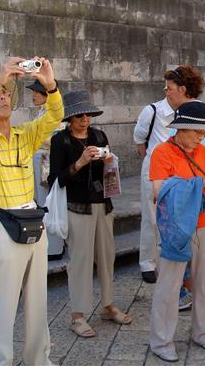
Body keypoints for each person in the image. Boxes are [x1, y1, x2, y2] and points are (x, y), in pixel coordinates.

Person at [0, 57, 62, 365]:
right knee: (2, 305)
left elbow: (55, 117)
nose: (4, 96)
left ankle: (39, 360)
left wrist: (51, 85)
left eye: (7, 92)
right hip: (3, 226)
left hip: (33, 222)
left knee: (38, 302)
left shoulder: (25, 134)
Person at [48, 90, 131, 338]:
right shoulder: (60, 141)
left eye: (88, 115)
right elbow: (55, 179)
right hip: (77, 207)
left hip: (103, 204)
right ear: (70, 118)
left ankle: (108, 305)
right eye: (79, 115)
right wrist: (80, 163)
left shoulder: (99, 135)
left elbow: (110, 171)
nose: (85, 119)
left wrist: (109, 162)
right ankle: (78, 315)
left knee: (107, 257)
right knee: (80, 261)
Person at [149, 101, 205, 362]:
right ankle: (161, 341)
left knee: (204, 283)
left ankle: (202, 332)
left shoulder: (202, 152)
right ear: (181, 129)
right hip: (177, 229)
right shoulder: (162, 153)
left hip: (204, 224)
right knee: (169, 286)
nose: (202, 137)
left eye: (204, 133)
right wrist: (199, 183)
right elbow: (159, 191)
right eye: (197, 132)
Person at [134, 96, 176, 284]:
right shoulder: (152, 111)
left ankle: (168, 258)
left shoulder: (187, 109)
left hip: (177, 169)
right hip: (154, 167)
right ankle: (148, 263)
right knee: (151, 217)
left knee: (174, 215)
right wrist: (150, 161)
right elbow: (139, 139)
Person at [29, 79, 66, 260]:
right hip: (39, 159)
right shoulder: (42, 112)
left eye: (37, 92)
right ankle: (48, 244)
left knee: (48, 203)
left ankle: (54, 247)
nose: (33, 95)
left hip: (48, 161)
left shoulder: (53, 114)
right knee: (42, 203)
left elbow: (55, 139)